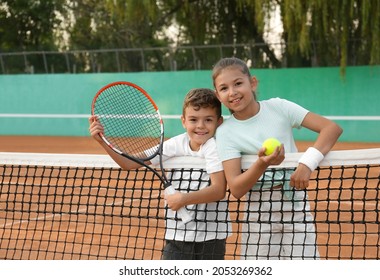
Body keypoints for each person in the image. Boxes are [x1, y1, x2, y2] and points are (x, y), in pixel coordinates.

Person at [212, 57, 343, 260]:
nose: (233, 92)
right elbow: (236, 188)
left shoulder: (279, 107)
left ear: (252, 82)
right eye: (224, 88)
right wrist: (261, 164)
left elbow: (331, 128)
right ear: (218, 95)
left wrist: (307, 164)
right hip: (258, 210)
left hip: (295, 202)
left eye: (238, 83)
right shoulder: (225, 133)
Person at [89, 88, 231, 260]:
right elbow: (130, 163)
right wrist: (102, 141)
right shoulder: (176, 143)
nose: (200, 125)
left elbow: (218, 190)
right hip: (177, 235)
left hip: (210, 238)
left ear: (219, 122)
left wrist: (183, 199)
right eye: (194, 119)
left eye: (208, 120)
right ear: (184, 121)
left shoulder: (214, 147)